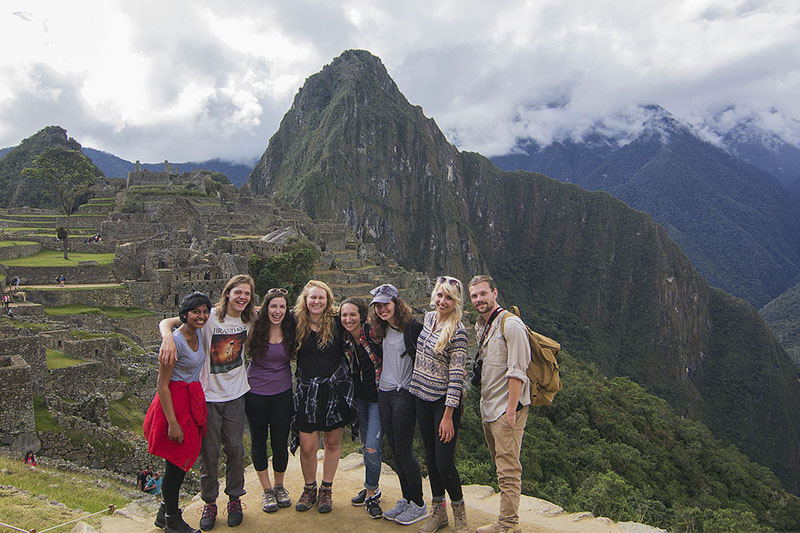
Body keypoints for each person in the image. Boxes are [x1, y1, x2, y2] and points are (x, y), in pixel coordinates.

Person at [160, 275, 257, 530]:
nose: (242, 297)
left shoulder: (250, 318)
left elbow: (279, 310)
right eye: (238, 292)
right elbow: (169, 321)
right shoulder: (209, 315)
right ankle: (210, 502)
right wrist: (167, 336)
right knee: (209, 453)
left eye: (247, 294)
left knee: (235, 449)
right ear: (228, 293)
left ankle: (235, 498)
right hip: (208, 396)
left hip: (236, 393)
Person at [145, 291, 212, 533]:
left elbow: (167, 321)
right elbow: (162, 384)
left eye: (205, 311)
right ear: (185, 314)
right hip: (174, 403)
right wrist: (172, 423)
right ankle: (173, 520)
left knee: (181, 462)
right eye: (196, 312)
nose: (201, 316)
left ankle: (164, 513)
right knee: (175, 464)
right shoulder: (174, 345)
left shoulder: (196, 332)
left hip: (190, 400)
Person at [468, 275, 531, 533]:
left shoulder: (512, 325)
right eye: (474, 296)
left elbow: (518, 370)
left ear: (495, 293)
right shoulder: (481, 325)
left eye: (483, 294)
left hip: (506, 409)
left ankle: (507, 524)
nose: (479, 300)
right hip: (489, 406)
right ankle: (506, 520)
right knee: (500, 463)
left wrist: (511, 410)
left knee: (508, 468)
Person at [409, 276, 469, 533]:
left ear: (456, 302)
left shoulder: (459, 331)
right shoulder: (429, 319)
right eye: (439, 296)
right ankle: (438, 512)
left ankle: (461, 516)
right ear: (434, 296)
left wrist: (448, 416)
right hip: (421, 396)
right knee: (431, 459)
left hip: (444, 405)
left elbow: (456, 376)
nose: (442, 301)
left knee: (444, 463)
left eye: (448, 298)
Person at [291, 280, 356, 514]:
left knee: (331, 443)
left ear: (328, 300)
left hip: (335, 390)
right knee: (307, 446)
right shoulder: (295, 321)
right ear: (305, 300)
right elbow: (264, 315)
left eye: (321, 298)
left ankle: (327, 489)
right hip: (308, 391)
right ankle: (310, 488)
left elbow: (364, 325)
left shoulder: (338, 322)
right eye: (312, 298)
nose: (316, 301)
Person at [367, 283, 428, 525]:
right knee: (394, 449)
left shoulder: (412, 329)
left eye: (386, 304)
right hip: (385, 393)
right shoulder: (381, 330)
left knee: (404, 450)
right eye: (379, 306)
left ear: (396, 303)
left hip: (405, 392)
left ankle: (419, 503)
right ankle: (406, 498)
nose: (383, 309)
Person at [243, 287, 295, 513]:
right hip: (255, 393)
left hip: (282, 392)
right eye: (273, 306)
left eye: (282, 306)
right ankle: (266, 489)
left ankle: (280, 485)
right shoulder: (255, 328)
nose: (277, 311)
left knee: (280, 442)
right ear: (265, 308)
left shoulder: (291, 328)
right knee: (259, 440)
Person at [340, 297, 384, 519]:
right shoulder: (345, 338)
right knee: (366, 445)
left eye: (352, 315)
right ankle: (371, 488)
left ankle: (372, 494)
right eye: (344, 315)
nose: (348, 319)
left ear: (362, 316)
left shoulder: (373, 333)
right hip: (359, 400)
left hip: (378, 399)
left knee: (372, 448)